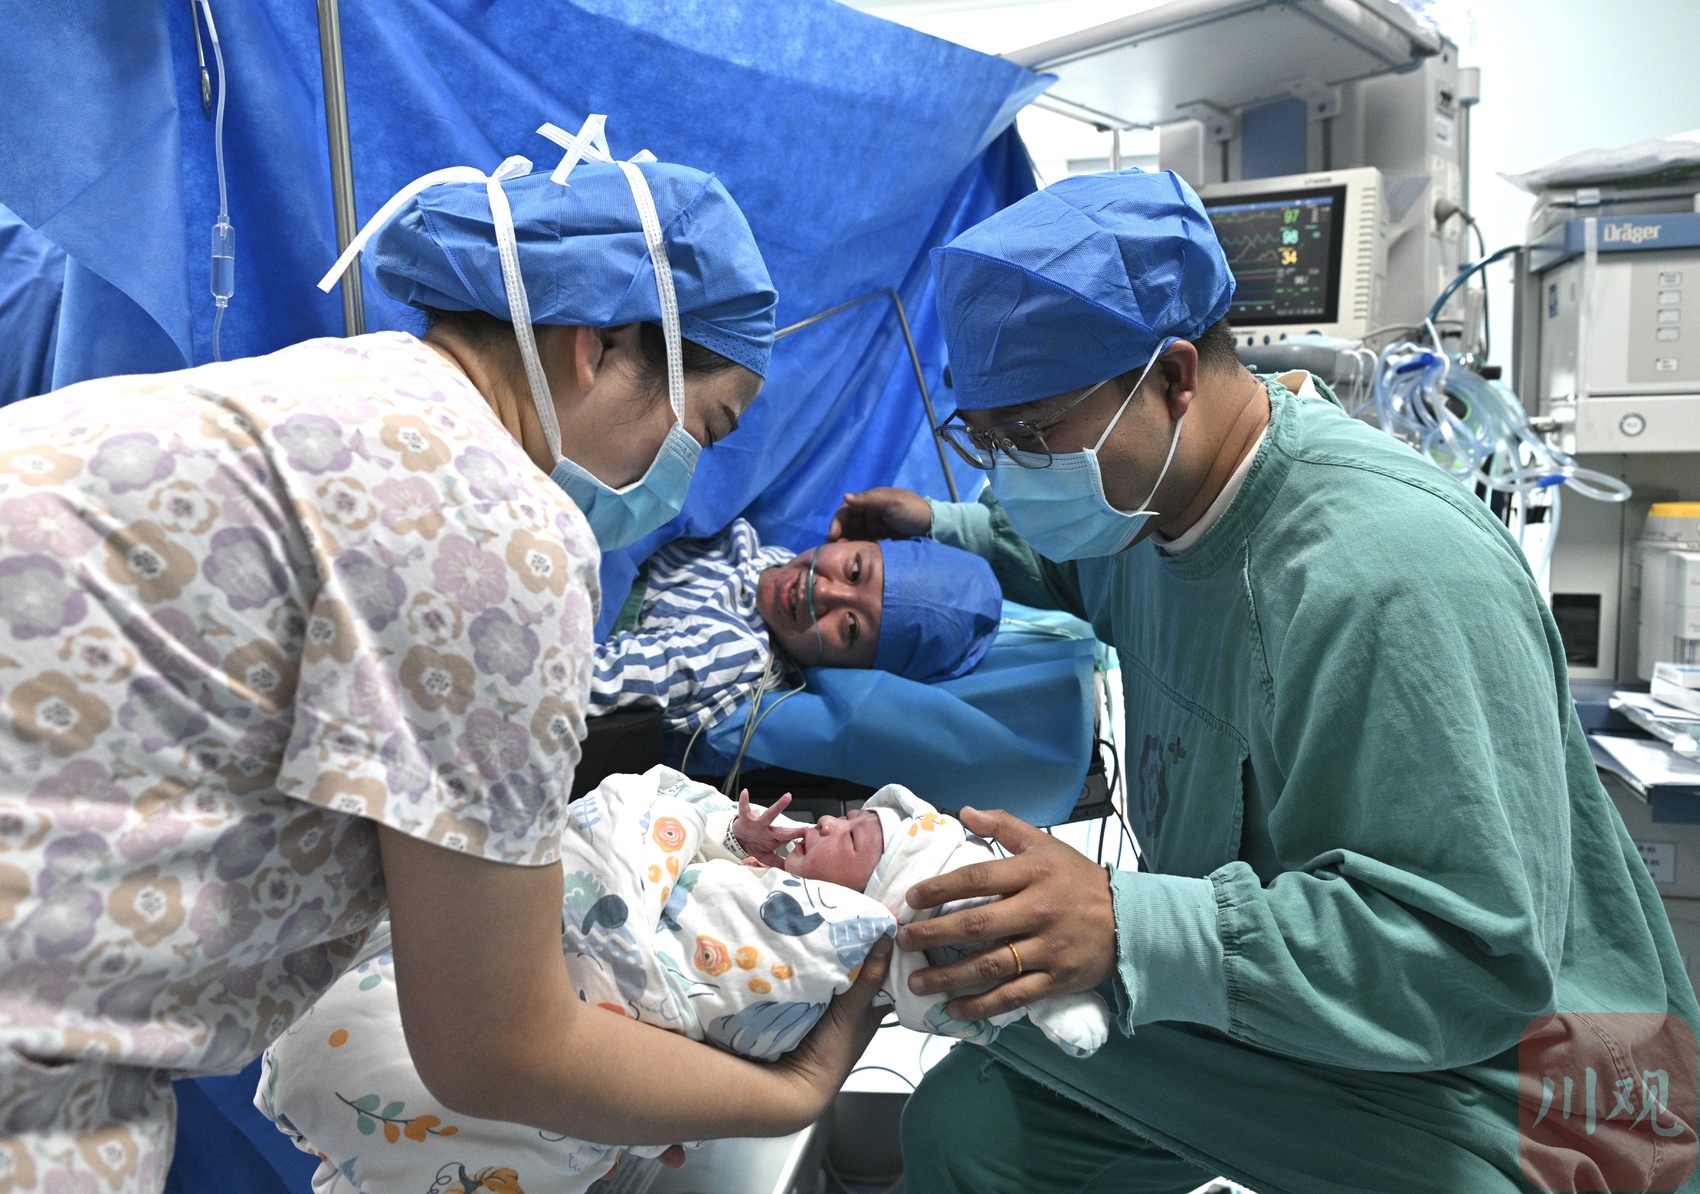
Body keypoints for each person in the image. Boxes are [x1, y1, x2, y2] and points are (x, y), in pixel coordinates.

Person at [0, 124, 890, 1191]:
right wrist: (796, 1090)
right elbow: (499, 1049)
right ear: (598, 344)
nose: (686, 475)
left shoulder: (337, 388)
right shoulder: (500, 534)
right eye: (704, 427)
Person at [830, 169, 1700, 1192]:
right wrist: (940, 526)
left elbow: (1470, 963)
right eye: (984, 442)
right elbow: (1061, 557)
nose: (1011, 471)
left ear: (1173, 377)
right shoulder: (1144, 512)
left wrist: (1129, 924)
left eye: (1030, 440)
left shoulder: (1386, 578)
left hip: (1516, 1076)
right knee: (972, 1127)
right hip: (1303, 1002)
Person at [261, 772, 1104, 1194]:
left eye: (853, 838)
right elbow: (670, 846)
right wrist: (726, 837)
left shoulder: (833, 940)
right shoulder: (788, 895)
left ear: (879, 907)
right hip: (534, 1022)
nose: (825, 820)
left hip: (575, 1002)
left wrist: (671, 841)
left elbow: (673, 953)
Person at [589, 518, 1002, 738]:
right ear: (852, 541)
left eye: (851, 627)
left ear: (842, 668)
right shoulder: (770, 556)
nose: (821, 591)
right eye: (854, 571)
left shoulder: (734, 652)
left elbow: (585, 680)